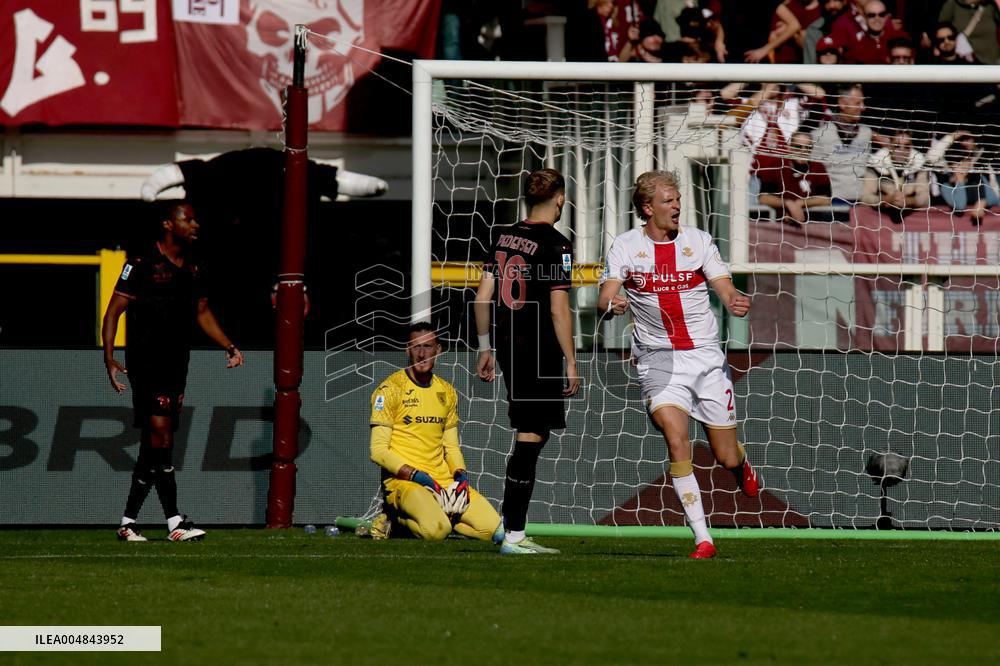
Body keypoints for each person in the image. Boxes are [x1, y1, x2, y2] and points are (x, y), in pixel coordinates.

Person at [596, 170, 760, 560]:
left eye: (678, 199)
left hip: (705, 358)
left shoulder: (698, 241)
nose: (677, 206)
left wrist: (735, 299)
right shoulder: (625, 246)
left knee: (725, 455)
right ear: (648, 207)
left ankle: (740, 466)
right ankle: (703, 538)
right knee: (676, 439)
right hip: (658, 360)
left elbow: (723, 286)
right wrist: (613, 304)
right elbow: (605, 296)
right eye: (669, 200)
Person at [103, 201, 244, 542]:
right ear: (169, 223)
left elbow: (202, 312)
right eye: (189, 219)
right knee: (162, 438)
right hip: (146, 363)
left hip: (176, 364)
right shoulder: (140, 263)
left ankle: (127, 522)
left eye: (196, 219)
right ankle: (175, 522)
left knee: (155, 444)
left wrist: (228, 344)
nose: (195, 224)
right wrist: (108, 358)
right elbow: (113, 312)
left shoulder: (194, 267)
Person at [474, 168, 581, 555]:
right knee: (531, 435)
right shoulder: (558, 245)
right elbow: (558, 310)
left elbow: (481, 297)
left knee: (532, 430)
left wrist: (485, 348)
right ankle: (515, 534)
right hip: (538, 349)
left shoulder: (502, 235)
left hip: (506, 345)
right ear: (560, 199)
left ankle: (509, 526)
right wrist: (571, 360)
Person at [368, 322, 502, 542]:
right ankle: (395, 519)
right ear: (407, 350)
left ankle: (443, 518)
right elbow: (378, 452)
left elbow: (451, 447)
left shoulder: (447, 391)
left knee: (492, 530)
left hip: (443, 482)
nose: (422, 354)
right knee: (435, 532)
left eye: (428, 347)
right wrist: (420, 477)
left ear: (438, 350)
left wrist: (461, 477)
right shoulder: (389, 390)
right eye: (416, 347)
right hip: (406, 483)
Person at [811, 83, 873, 204]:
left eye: (863, 103)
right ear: (843, 103)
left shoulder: (867, 133)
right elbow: (815, 174)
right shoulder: (820, 135)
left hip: (863, 202)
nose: (863, 107)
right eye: (857, 103)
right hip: (832, 203)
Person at [757, 131, 833, 225]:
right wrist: (788, 204)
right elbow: (764, 198)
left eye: (808, 147)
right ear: (790, 147)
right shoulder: (777, 167)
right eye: (798, 147)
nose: (803, 151)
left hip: (812, 224)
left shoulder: (818, 167)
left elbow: (825, 199)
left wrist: (800, 203)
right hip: (780, 224)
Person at [927, 129, 1000, 224]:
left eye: (966, 160)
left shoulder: (976, 177)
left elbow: (995, 199)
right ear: (951, 165)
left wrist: (982, 203)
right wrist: (960, 181)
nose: (963, 165)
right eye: (958, 163)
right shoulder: (945, 183)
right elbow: (960, 205)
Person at [862, 128, 930, 223]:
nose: (902, 150)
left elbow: (925, 198)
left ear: (912, 147)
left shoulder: (919, 163)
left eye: (906, 146)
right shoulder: (875, 162)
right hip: (880, 218)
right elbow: (865, 197)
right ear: (889, 146)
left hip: (911, 218)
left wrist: (909, 201)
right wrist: (885, 200)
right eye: (897, 146)